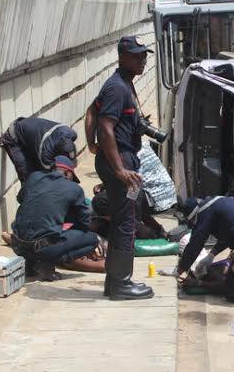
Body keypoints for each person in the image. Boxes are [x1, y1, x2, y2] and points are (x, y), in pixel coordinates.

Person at [85, 35, 154, 300]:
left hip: (123, 160)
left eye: (144, 55)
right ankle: (121, 284)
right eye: (137, 56)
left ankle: (114, 282)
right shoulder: (117, 88)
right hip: (121, 163)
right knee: (126, 222)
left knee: (123, 221)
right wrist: (118, 170)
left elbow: (92, 111)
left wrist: (92, 144)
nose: (142, 60)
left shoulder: (124, 85)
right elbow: (105, 125)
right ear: (122, 57)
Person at [10, 156, 100, 281]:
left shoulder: (34, 177)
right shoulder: (74, 189)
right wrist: (69, 219)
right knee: (92, 239)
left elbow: (21, 199)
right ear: (68, 173)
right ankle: (48, 264)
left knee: (38, 228)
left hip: (17, 245)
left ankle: (30, 266)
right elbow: (84, 224)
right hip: (44, 249)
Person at [0, 117, 78, 184]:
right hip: (15, 138)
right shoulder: (45, 151)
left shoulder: (71, 134)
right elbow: (48, 176)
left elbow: (68, 166)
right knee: (29, 179)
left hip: (32, 135)